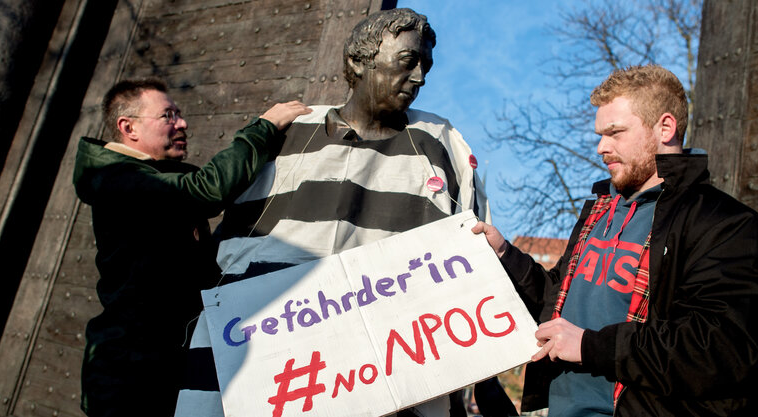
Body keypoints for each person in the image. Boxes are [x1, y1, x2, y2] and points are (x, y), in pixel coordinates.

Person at [175, 8, 515, 417]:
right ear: (358, 61)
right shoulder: (289, 133)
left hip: (383, 375)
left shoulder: (440, 145)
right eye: (408, 62)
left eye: (426, 65)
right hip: (267, 359)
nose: (421, 77)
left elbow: (475, 266)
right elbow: (221, 239)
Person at [472, 64, 758, 416]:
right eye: (600, 134)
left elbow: (716, 350)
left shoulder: (729, 225)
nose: (602, 147)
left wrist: (591, 346)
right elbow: (554, 303)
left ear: (665, 127)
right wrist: (504, 254)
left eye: (615, 132)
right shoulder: (599, 214)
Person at [73, 78, 310, 417]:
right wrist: (265, 128)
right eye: (168, 115)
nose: (182, 123)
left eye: (180, 114)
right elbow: (207, 190)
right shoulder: (119, 180)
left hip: (161, 364)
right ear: (128, 128)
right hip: (129, 379)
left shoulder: (148, 176)